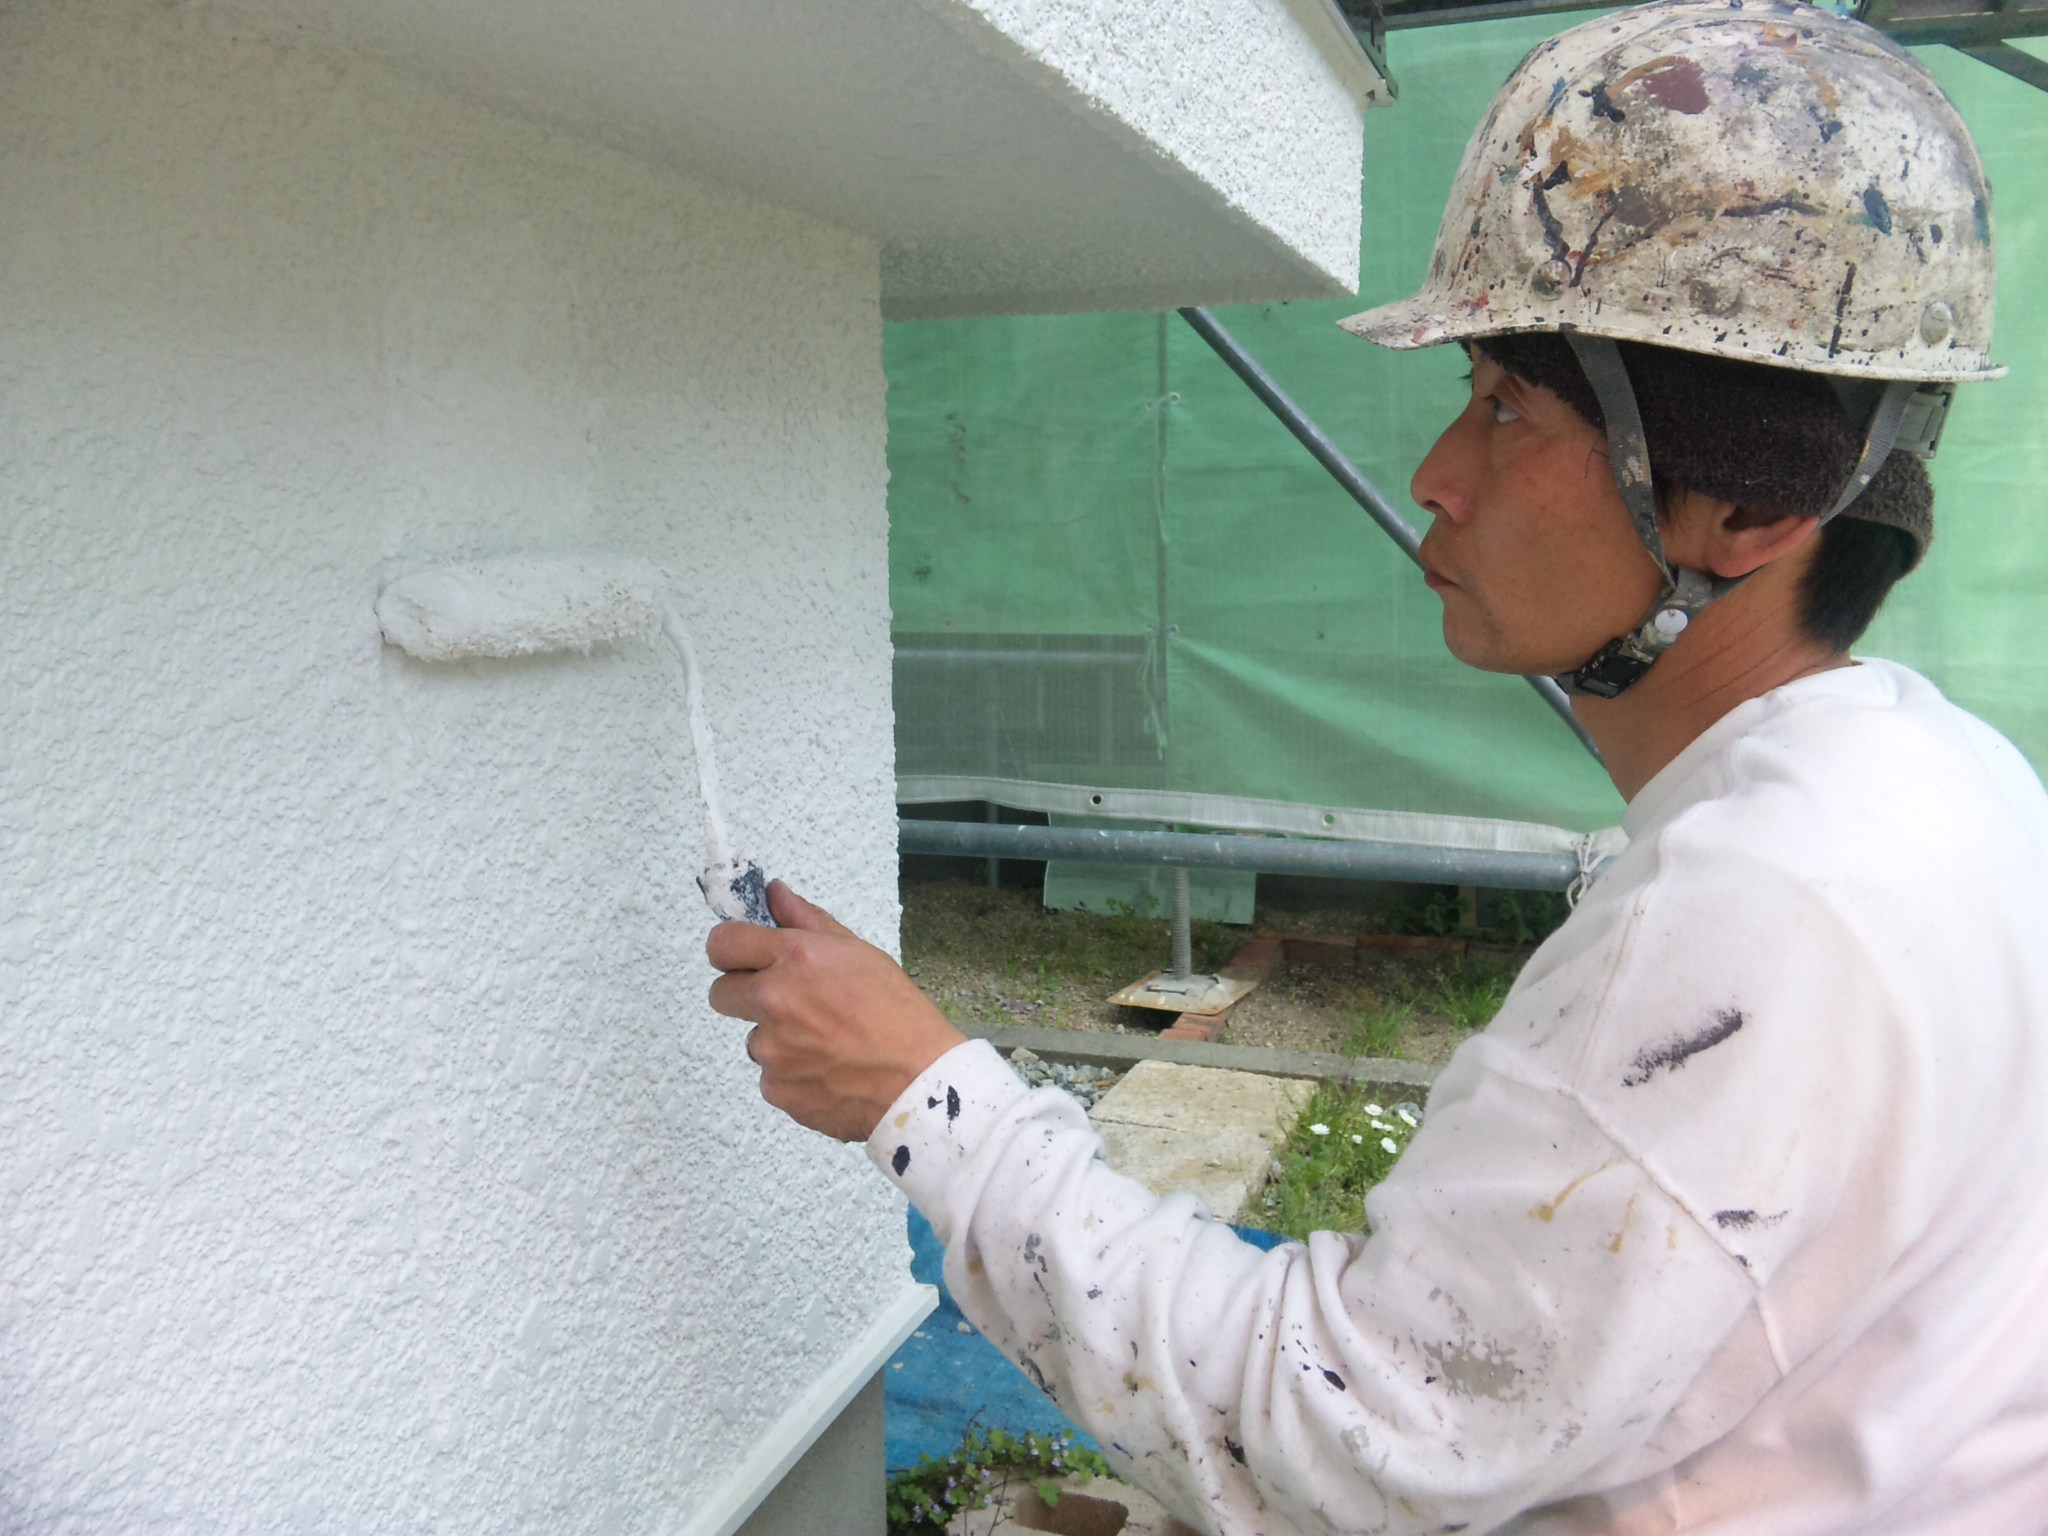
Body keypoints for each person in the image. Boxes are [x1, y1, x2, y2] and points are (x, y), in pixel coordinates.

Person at [709, 2, 2048, 1530]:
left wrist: (926, 1098)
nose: (1436, 473)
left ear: (1750, 505)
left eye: (1508, 408)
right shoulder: (1945, 777)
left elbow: (1347, 1443)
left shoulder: (1757, 910)